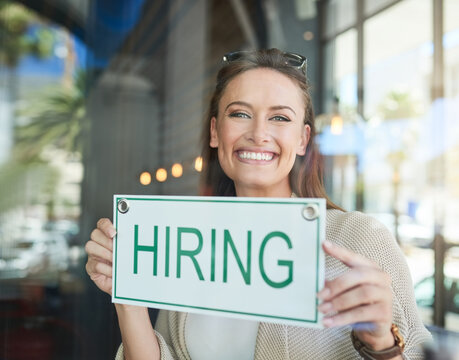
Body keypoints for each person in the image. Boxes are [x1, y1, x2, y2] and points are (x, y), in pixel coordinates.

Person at [85, 48, 431, 360]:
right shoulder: (188, 240)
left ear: (302, 139)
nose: (258, 133)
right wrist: (128, 298)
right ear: (215, 132)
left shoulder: (360, 238)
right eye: (239, 114)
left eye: (280, 118)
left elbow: (415, 352)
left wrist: (382, 344)